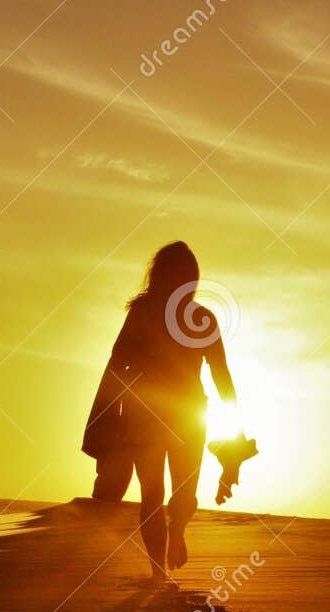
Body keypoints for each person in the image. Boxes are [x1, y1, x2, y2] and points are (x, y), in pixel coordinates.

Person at [82, 241, 239, 580]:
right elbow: (118, 361)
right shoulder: (151, 313)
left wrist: (234, 424)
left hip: (173, 416)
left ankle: (175, 535)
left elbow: (220, 372)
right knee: (156, 492)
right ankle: (158, 572)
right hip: (159, 417)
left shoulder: (195, 318)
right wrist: (106, 412)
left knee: (177, 492)